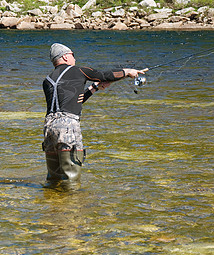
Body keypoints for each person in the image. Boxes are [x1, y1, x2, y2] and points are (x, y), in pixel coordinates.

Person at [42, 43, 147, 187]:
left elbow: (73, 101)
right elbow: (104, 75)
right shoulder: (78, 71)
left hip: (49, 128)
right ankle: (72, 207)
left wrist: (94, 88)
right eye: (73, 55)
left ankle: (53, 206)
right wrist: (128, 72)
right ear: (65, 56)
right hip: (68, 126)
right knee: (71, 178)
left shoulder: (47, 80)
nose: (75, 58)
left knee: (53, 179)